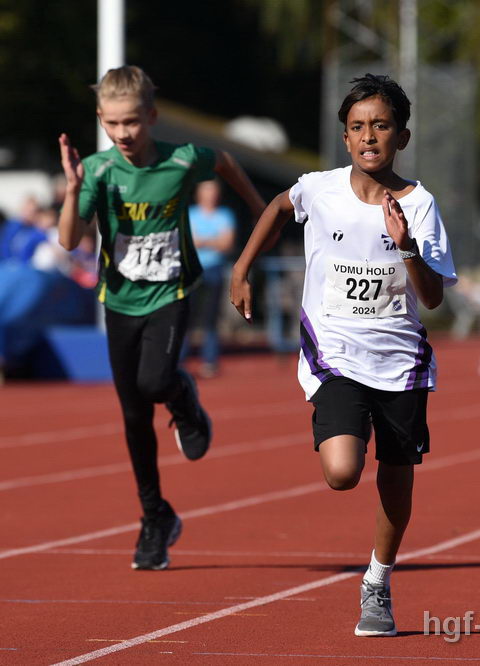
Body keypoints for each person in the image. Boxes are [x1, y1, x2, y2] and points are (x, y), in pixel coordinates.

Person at [230, 74, 456, 637]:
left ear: (402, 136)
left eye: (381, 126)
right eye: (357, 127)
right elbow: (281, 208)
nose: (368, 136)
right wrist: (242, 268)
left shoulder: (420, 205)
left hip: (399, 361)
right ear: (344, 136)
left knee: (397, 479)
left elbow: (432, 298)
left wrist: (405, 248)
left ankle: (377, 581)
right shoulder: (320, 189)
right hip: (335, 352)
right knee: (341, 472)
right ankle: (341, 434)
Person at [57, 65, 266, 570]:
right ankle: (156, 517)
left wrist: (265, 215)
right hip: (120, 301)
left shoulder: (181, 159)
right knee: (133, 417)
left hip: (171, 292)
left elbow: (228, 163)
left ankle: (184, 398)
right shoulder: (99, 171)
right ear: (102, 121)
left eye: (131, 122)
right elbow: (68, 240)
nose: (123, 134)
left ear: (150, 116)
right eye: (112, 124)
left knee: (155, 381)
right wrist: (71, 189)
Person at [186, 179, 236, 378]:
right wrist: (213, 241)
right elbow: (188, 242)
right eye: (206, 190)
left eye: (214, 191)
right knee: (185, 316)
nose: (210, 195)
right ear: (199, 194)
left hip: (214, 269)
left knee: (211, 318)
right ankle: (180, 360)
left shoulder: (225, 215)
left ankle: (209, 360)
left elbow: (227, 243)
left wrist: (203, 241)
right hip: (192, 269)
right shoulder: (190, 214)